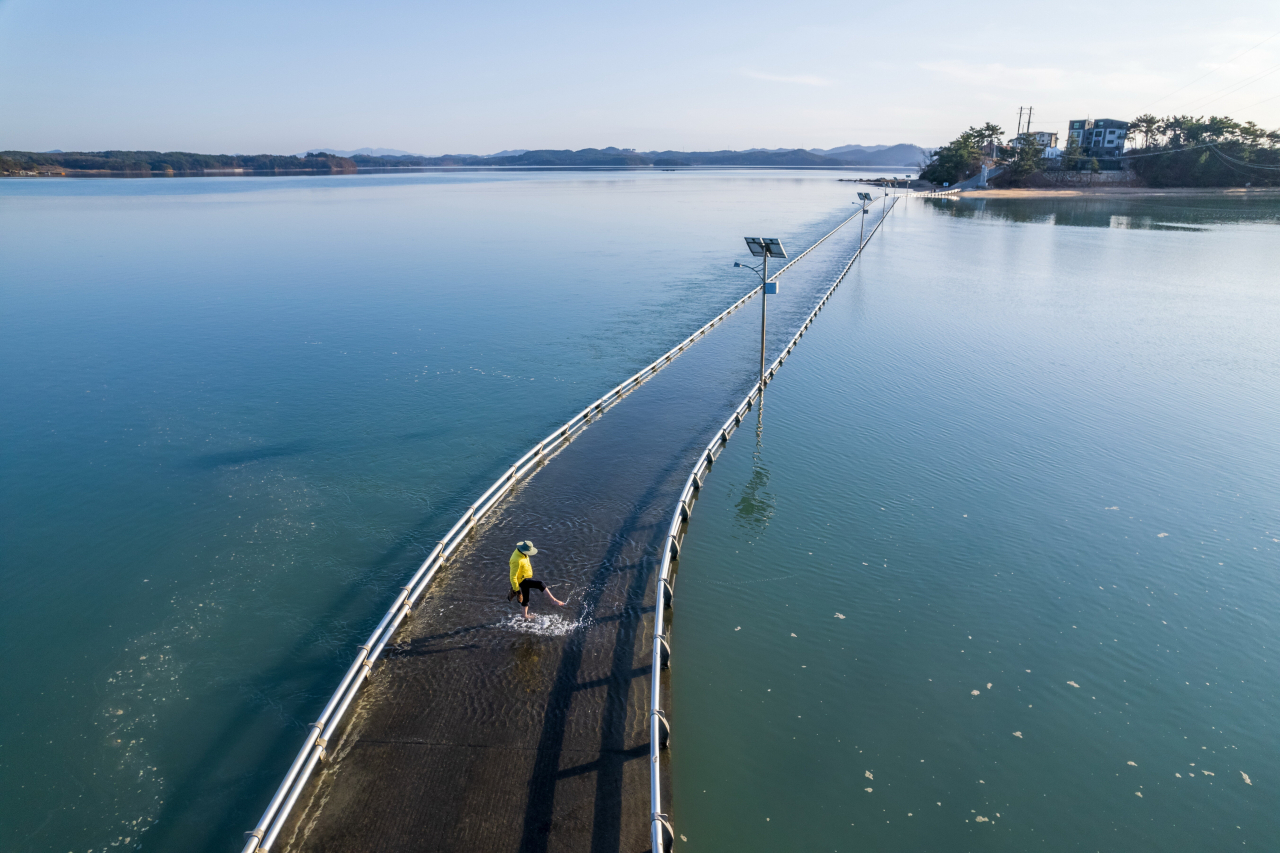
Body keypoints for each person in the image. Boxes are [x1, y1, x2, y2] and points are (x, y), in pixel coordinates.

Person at [508, 540, 564, 620]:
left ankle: (524, 616)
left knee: (525, 598)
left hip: (525, 577)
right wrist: (517, 590)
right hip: (521, 580)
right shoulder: (516, 560)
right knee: (540, 584)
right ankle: (553, 600)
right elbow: (512, 577)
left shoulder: (521, 553)